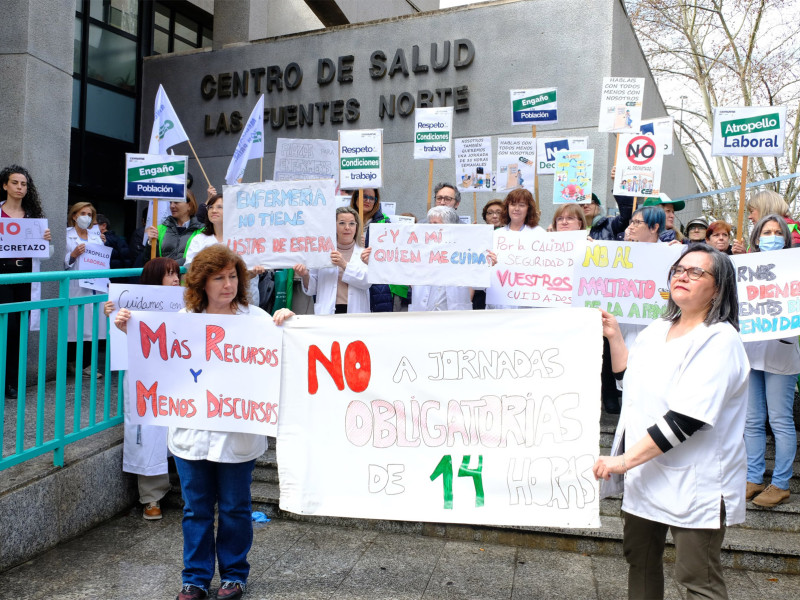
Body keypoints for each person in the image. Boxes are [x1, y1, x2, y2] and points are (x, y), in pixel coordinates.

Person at [116, 245, 294, 600]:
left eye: (232, 277)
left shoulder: (257, 319)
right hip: (191, 434)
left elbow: (283, 358)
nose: (227, 285)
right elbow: (154, 356)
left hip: (237, 434)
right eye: (218, 278)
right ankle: (195, 578)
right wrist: (127, 328)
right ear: (202, 282)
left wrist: (287, 323)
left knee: (234, 508)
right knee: (196, 508)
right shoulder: (181, 321)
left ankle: (234, 575)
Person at [594, 244, 749, 600]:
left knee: (697, 578)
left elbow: (687, 418)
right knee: (640, 561)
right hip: (647, 471)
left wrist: (622, 461)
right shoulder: (658, 328)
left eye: (696, 272)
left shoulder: (719, 340)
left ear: (719, 288)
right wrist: (615, 336)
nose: (683, 275)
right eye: (679, 269)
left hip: (696, 479)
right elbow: (629, 381)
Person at [104, 257, 179, 521]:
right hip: (146, 380)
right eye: (169, 274)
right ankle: (151, 496)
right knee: (149, 432)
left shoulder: (190, 307)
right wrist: (115, 317)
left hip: (180, 377)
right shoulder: (132, 310)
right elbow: (125, 346)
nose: (176, 279)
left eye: (176, 273)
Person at [743, 214, 800, 508]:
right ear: (756, 237)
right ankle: (753, 478)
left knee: (779, 421)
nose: (773, 236)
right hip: (750, 353)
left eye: (778, 232)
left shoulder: (795, 267)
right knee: (752, 420)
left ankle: (780, 484)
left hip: (781, 355)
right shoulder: (745, 269)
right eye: (767, 231)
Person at [0, 165, 52, 399]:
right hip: (3, 277)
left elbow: (44, 254)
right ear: (5, 185)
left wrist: (45, 241)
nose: (20, 187)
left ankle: (11, 382)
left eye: (24, 184)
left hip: (26, 277)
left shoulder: (33, 218)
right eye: (15, 183)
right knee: (5, 328)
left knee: (18, 330)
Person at [296, 206, 370, 314]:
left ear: (357, 227)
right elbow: (312, 289)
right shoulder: (322, 252)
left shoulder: (364, 253)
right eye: (342, 223)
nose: (347, 227)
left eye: (352, 223)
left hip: (355, 312)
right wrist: (305, 275)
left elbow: (366, 283)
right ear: (333, 226)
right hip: (328, 311)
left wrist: (344, 265)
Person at [65, 201, 107, 378]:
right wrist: (73, 255)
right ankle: (72, 363)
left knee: (93, 326)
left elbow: (103, 260)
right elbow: (61, 262)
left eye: (90, 215)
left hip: (95, 286)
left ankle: (88, 365)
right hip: (76, 287)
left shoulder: (96, 236)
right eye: (83, 213)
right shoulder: (66, 236)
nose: (86, 217)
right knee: (75, 326)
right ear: (74, 216)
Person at [349, 188, 404, 312]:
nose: (368, 201)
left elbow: (390, 255)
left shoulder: (384, 223)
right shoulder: (346, 220)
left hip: (377, 282)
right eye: (364, 196)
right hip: (351, 277)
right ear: (356, 198)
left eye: (372, 198)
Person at [408, 206, 472, 312]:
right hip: (423, 314)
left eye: (435, 224)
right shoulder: (418, 250)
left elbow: (477, 281)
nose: (431, 228)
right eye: (430, 224)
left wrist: (487, 265)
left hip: (453, 315)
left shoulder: (464, 250)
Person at [145, 190, 203, 265]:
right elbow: (149, 261)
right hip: (164, 275)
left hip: (187, 276)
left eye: (176, 202)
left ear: (189, 205)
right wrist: (150, 243)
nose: (172, 206)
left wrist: (171, 267)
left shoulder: (201, 231)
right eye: (170, 202)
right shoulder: (160, 229)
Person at [732, 190, 800, 253]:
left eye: (779, 233)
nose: (749, 217)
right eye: (767, 233)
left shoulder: (794, 237)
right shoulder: (757, 236)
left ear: (764, 209)